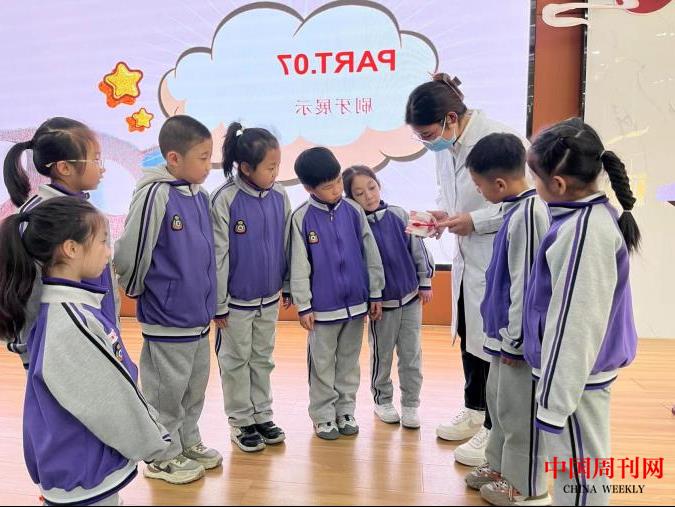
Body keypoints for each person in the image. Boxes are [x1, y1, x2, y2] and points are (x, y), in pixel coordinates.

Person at [0, 197, 171, 506]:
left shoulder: (69, 309)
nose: (109, 251)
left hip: (77, 462)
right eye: (103, 241)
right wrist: (154, 440)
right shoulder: (70, 321)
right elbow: (109, 399)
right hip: (83, 468)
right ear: (71, 249)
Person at [405, 73, 526, 466]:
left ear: (451, 118)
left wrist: (475, 221)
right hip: (466, 256)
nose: (426, 143)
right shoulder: (446, 146)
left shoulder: (499, 139)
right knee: (469, 332)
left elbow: (523, 200)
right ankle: (474, 410)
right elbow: (453, 195)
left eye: (427, 135)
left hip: (495, 254)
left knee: (491, 340)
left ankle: (494, 424)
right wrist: (443, 215)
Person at [523, 118, 639, 506]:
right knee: (581, 471)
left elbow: (576, 325)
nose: (533, 186)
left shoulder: (584, 232)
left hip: (574, 380)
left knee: (580, 478)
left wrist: (554, 403)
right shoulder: (584, 219)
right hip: (576, 377)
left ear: (557, 184)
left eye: (535, 178)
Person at [115, 115, 221, 484]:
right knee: (165, 392)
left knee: (193, 388)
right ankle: (161, 456)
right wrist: (139, 293)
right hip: (167, 314)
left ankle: (186, 442)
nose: (208, 166)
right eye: (202, 158)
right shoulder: (155, 194)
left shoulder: (200, 196)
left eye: (210, 157)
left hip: (197, 316)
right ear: (174, 158)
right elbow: (132, 250)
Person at [460, 133, 551, 506]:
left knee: (519, 416)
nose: (478, 191)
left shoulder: (529, 215)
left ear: (498, 183)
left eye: (478, 185)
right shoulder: (513, 210)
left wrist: (516, 341)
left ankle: (527, 486)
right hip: (501, 337)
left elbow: (526, 286)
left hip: (518, 342)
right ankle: (499, 467)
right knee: (499, 407)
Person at [1, 117, 118, 369]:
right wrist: (29, 351)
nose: (102, 168)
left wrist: (111, 331)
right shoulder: (37, 217)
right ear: (64, 167)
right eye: (95, 160)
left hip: (96, 336)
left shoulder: (88, 212)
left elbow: (104, 284)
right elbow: (25, 288)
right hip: (53, 351)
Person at [289, 148, 385, 440]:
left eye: (337, 182)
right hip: (322, 310)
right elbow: (299, 264)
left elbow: (370, 253)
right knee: (321, 364)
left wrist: (375, 292)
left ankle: (345, 410)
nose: (336, 190)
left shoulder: (353, 211)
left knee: (348, 362)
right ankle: (322, 415)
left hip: (356, 305)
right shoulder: (301, 218)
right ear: (309, 188)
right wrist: (304, 305)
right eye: (328, 187)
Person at [210, 122, 291, 452]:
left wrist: (287, 284)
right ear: (245, 167)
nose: (275, 173)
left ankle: (262, 415)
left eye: (277, 166)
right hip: (235, 304)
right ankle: (241, 421)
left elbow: (286, 244)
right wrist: (219, 304)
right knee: (235, 361)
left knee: (262, 358)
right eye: (270, 167)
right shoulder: (225, 199)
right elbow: (217, 256)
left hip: (268, 298)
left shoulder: (280, 195)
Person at [342, 165, 434, 429]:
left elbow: (418, 249)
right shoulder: (354, 226)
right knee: (382, 356)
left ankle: (411, 404)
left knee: (411, 355)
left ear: (378, 185)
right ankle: (382, 401)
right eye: (360, 193)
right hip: (381, 307)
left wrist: (425, 281)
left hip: (411, 300)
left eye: (371, 188)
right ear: (351, 198)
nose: (369, 196)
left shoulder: (399, 214)